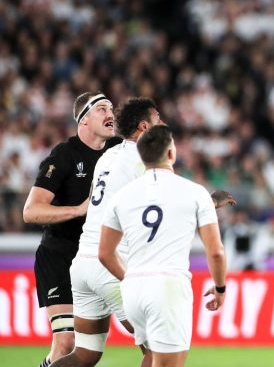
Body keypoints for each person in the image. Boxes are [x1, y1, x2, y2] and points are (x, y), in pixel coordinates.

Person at [98, 125, 227, 367]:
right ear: (171, 154)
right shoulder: (195, 192)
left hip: (133, 289)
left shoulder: (122, 196)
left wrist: (131, 277)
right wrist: (220, 288)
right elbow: (216, 252)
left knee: (151, 357)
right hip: (168, 286)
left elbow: (104, 253)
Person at [52, 98, 162, 367]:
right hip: (112, 265)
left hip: (83, 265)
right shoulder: (144, 159)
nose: (164, 125)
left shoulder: (107, 156)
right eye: (158, 119)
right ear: (144, 126)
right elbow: (168, 204)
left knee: (85, 354)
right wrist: (207, 204)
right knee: (158, 349)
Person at [23, 92, 116, 367]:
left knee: (89, 353)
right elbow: (31, 211)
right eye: (102, 109)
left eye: (112, 108)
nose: (110, 113)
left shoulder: (121, 151)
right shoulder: (64, 156)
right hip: (60, 256)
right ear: (83, 119)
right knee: (66, 342)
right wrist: (78, 209)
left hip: (98, 259)